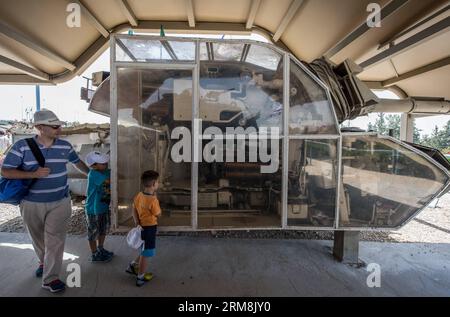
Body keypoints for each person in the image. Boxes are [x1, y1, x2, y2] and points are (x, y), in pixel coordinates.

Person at [0, 109, 89, 293]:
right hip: (31, 203)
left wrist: (93, 173)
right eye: (55, 126)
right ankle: (44, 261)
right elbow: (6, 171)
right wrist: (32, 174)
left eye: (60, 125)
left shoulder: (65, 146)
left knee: (55, 240)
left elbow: (77, 162)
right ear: (40, 128)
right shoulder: (22, 147)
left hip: (60, 202)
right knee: (38, 238)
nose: (59, 129)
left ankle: (50, 278)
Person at [126, 170, 161, 287]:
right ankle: (140, 277)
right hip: (149, 229)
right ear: (154, 184)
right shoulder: (153, 200)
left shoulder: (139, 195)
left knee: (143, 248)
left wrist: (136, 221)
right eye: (158, 182)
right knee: (147, 253)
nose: (159, 184)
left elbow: (134, 208)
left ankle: (133, 266)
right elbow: (157, 214)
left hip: (141, 227)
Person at [84, 151, 113, 262]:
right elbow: (108, 181)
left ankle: (100, 248)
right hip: (93, 209)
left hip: (103, 207)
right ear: (93, 165)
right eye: (103, 163)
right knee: (93, 232)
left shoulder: (105, 171)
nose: (106, 164)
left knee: (103, 229)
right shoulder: (94, 174)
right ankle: (94, 254)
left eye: (106, 162)